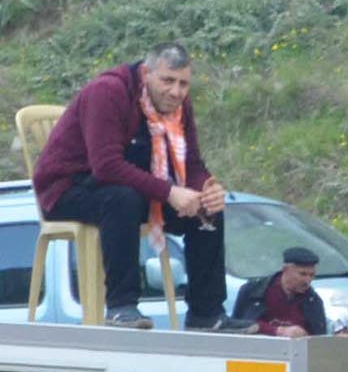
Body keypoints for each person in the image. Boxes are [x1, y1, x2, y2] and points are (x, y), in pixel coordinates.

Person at [33, 46, 225, 331]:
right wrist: (169, 192)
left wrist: (207, 188)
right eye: (167, 81)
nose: (176, 92)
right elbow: (107, 166)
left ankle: (206, 314)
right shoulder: (108, 92)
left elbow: (192, 163)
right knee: (122, 199)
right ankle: (121, 306)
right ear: (146, 73)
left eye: (183, 84)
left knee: (207, 211)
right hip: (67, 186)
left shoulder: (179, 105)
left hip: (127, 186)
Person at [227, 245, 328, 338]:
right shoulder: (252, 292)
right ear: (286, 270)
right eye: (302, 274)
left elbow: (320, 340)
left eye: (311, 275)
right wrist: (277, 331)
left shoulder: (313, 301)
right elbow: (235, 327)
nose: (307, 280)